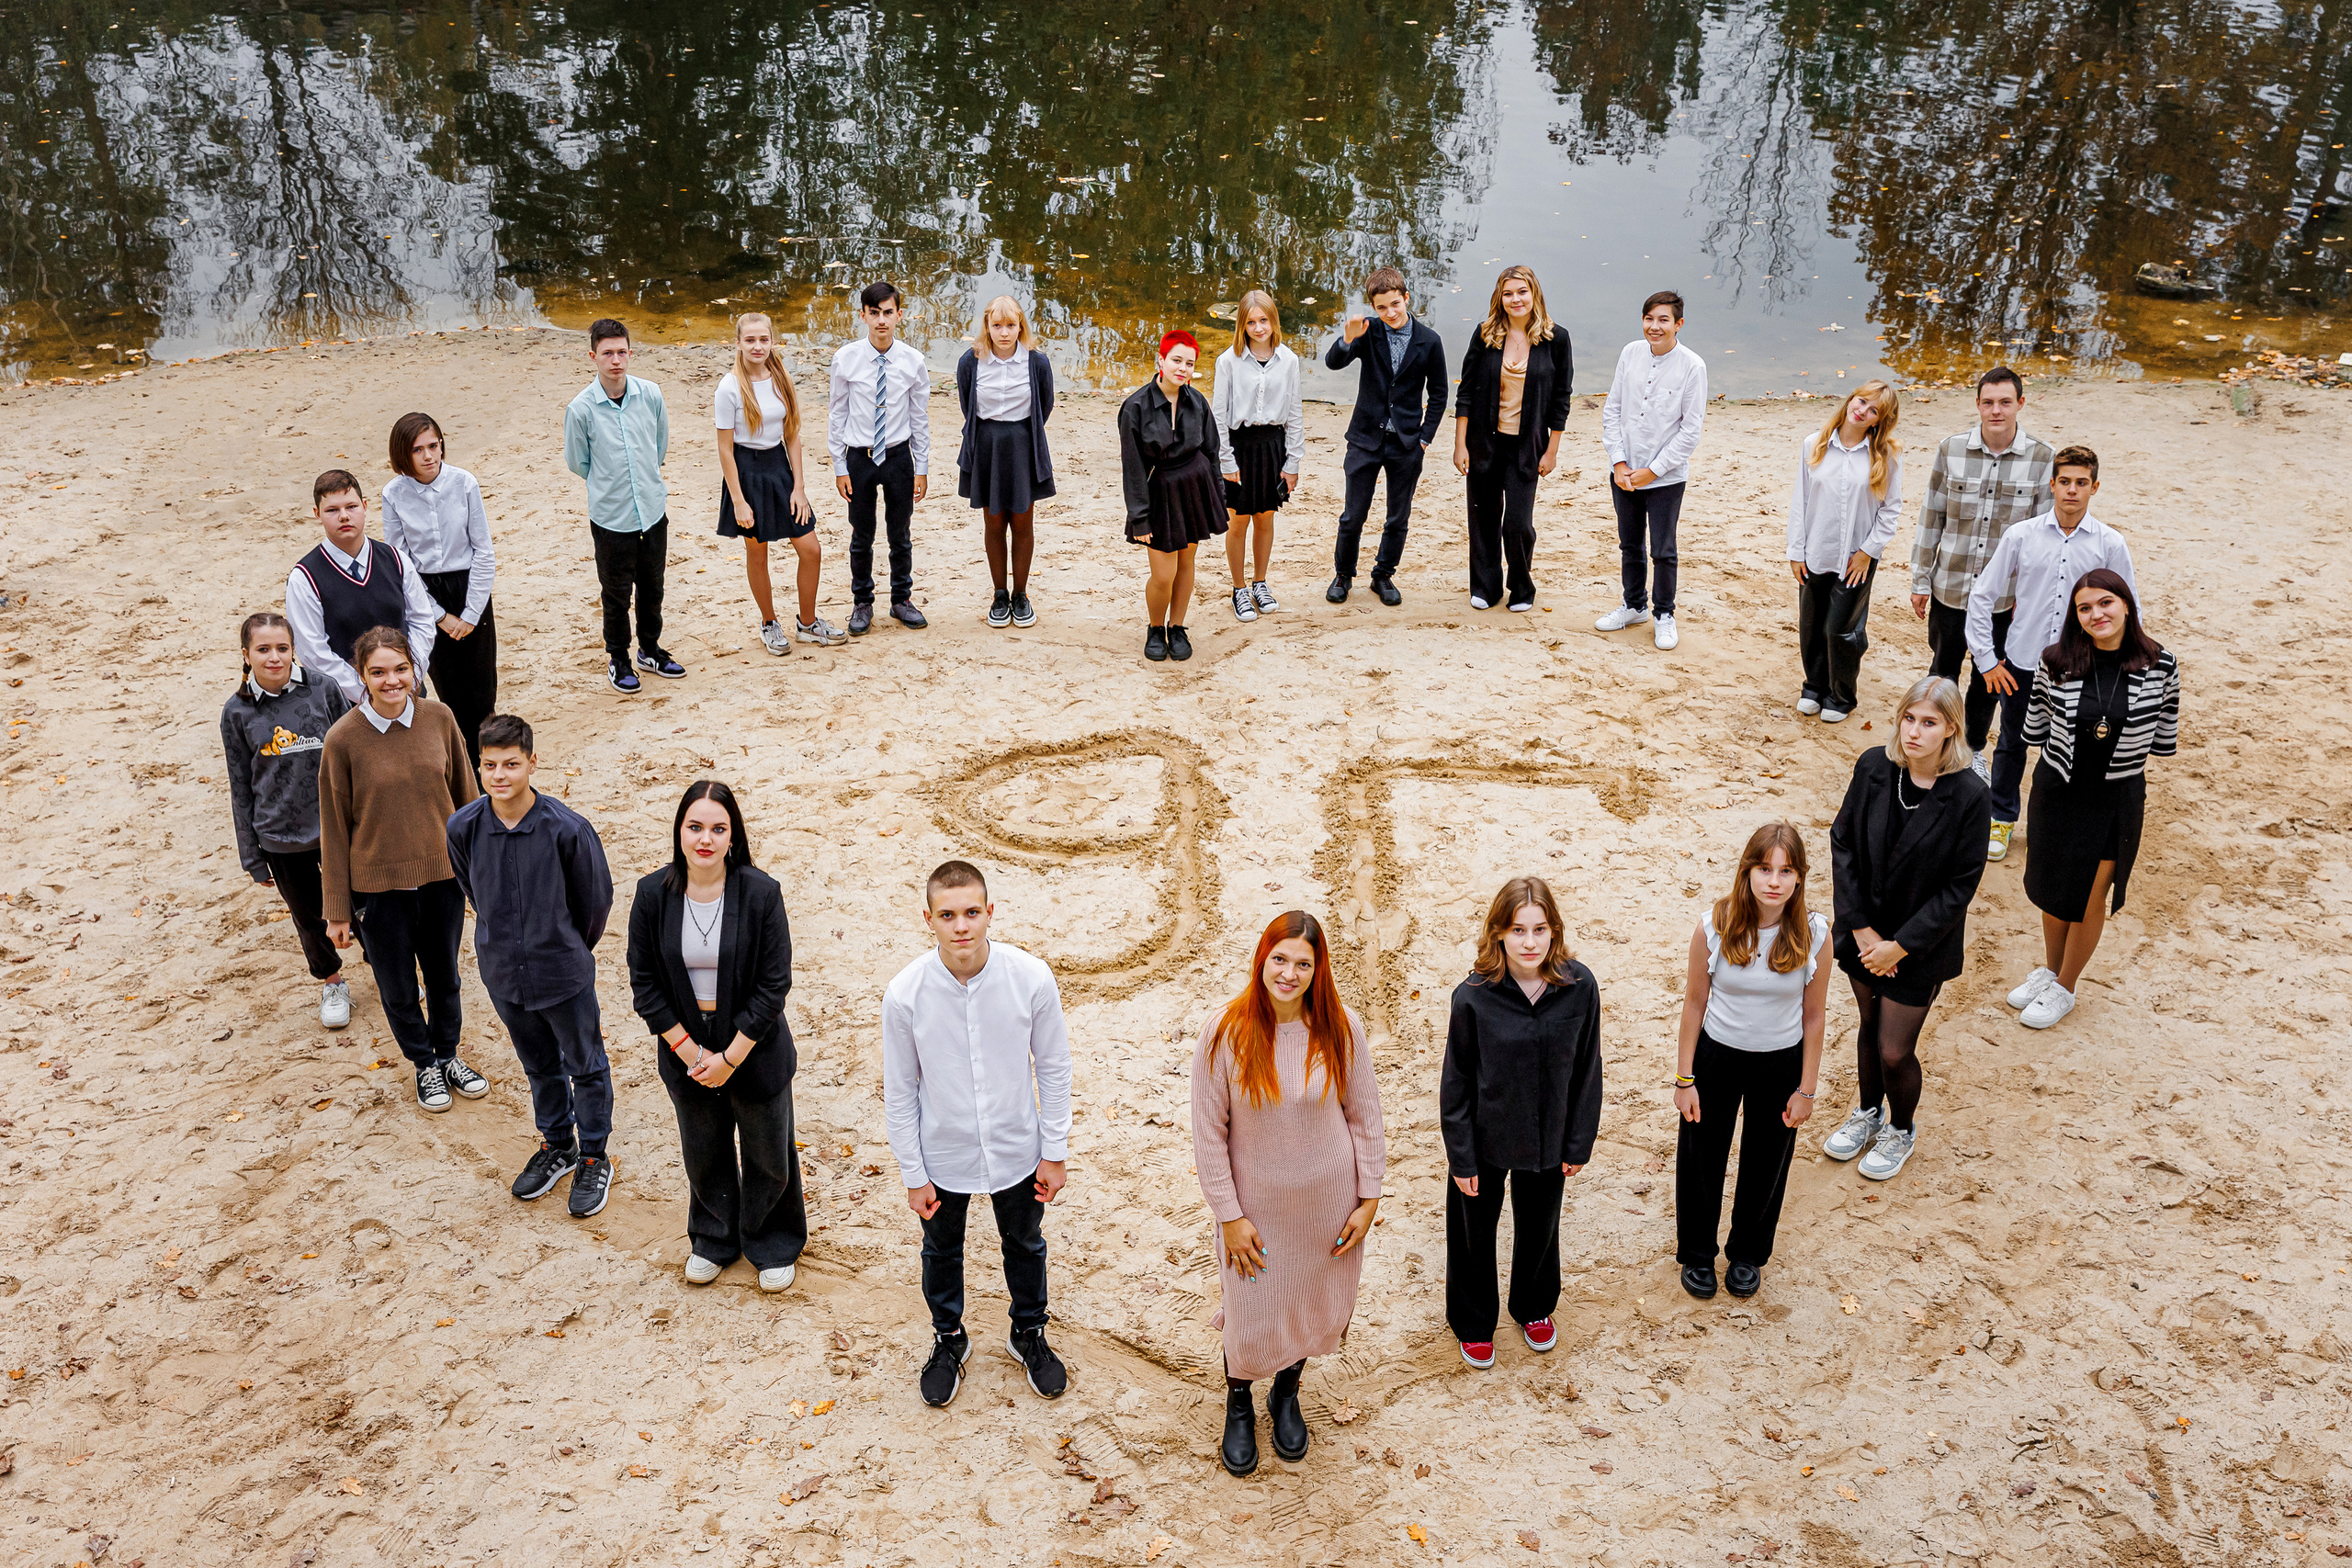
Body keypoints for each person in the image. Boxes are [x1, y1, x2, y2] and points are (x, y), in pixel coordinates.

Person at [1193, 911, 1385, 1477]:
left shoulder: (1341, 1028)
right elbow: (1210, 1134)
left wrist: (1368, 1197)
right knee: (1251, 1308)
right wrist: (1229, 1216)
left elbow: (1364, 1119)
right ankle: (1239, 1403)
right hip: (1256, 1212)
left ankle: (1287, 1391)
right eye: (1281, 958)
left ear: (1318, 969)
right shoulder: (1225, 1032)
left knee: (1308, 1299)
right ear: (1262, 957)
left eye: (1304, 963)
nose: (1290, 973)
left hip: (1327, 1206)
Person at [883, 861, 1072, 1408]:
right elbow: (900, 1091)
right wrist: (913, 1173)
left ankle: (1028, 1333)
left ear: (990, 912)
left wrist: (1054, 1152)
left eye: (971, 912)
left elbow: (1054, 1066)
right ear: (929, 919)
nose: (961, 926)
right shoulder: (904, 995)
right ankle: (948, 1339)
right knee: (941, 1252)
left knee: (1025, 1244)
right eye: (948, 915)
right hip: (943, 1152)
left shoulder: (1031, 978)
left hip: (1018, 1147)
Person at [626, 781, 806, 1291]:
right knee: (704, 1150)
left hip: (754, 1046)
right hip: (686, 1047)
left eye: (718, 829)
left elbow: (775, 984)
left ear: (734, 836)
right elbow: (644, 983)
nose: (706, 839)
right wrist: (687, 1049)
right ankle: (713, 1238)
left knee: (768, 1154)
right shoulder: (651, 895)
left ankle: (772, 1242)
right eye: (695, 827)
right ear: (680, 831)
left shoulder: (761, 893)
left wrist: (730, 1056)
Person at [446, 715, 618, 1219]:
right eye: (491, 765)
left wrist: (564, 947)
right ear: (479, 767)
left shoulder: (568, 830)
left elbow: (594, 904)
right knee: (537, 1063)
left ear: (532, 763)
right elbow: (471, 888)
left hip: (562, 972)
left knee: (585, 1064)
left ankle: (592, 1155)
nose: (500, 775)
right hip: (502, 973)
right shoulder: (464, 827)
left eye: (512, 764)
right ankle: (557, 1145)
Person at [1820, 677, 1992, 1181]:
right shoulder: (1875, 766)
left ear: (1951, 728)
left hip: (1920, 945)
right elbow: (1843, 842)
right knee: (1868, 1028)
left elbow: (1961, 886)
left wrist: (1901, 946)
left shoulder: (1969, 795)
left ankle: (1901, 1127)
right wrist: (1862, 929)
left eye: (1929, 722)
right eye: (1909, 718)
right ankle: (1868, 1113)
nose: (1914, 732)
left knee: (1895, 1048)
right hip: (1863, 934)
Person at [317, 626, 487, 1113]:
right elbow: (334, 830)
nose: (392, 681)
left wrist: (483, 875)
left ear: (415, 669)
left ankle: (449, 1055)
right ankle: (424, 1065)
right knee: (395, 986)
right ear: (362, 676)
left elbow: (467, 798)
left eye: (400, 669)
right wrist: (338, 911)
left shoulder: (439, 718)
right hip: (379, 889)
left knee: (445, 977)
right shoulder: (342, 740)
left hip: (442, 880)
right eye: (379, 672)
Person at [1439, 877, 1600, 1369]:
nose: (1529, 943)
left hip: (1549, 1139)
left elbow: (1587, 1068)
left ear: (1554, 932)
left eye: (1540, 930)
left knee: (1539, 1225)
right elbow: (1457, 1081)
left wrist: (1578, 1142)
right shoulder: (1473, 997)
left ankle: (1532, 1305)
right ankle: (1473, 1319)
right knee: (1473, 1232)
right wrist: (1461, 1155)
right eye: (1517, 930)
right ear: (1498, 934)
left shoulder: (1579, 987)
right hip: (1485, 1142)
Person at [2009, 570, 2179, 1030]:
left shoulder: (2162, 664)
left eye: (2105, 603)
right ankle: (2049, 970)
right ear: (2075, 615)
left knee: (2088, 896)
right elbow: (2037, 724)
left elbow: (2164, 739)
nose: (2096, 614)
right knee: (2050, 887)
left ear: (2126, 605)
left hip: (2115, 797)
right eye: (2085, 608)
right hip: (2058, 788)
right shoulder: (2056, 660)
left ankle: (2065, 986)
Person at [1672, 823, 1826, 1301]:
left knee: (1766, 1159)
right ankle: (1697, 1252)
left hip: (1780, 1061)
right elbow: (1695, 1003)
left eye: (1786, 870)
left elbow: (1815, 1016)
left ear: (1799, 878)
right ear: (1748, 871)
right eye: (1764, 869)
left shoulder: (1814, 933)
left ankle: (1747, 1254)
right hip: (1717, 1055)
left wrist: (1806, 1090)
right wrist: (1684, 1078)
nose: (1774, 881)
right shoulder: (1713, 925)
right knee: (1702, 1156)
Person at [1966, 446, 2135, 862]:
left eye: (2081, 483)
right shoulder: (2021, 536)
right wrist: (1987, 661)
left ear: (2094, 487)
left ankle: (2061, 825)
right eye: (2065, 482)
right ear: (2052, 484)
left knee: (2076, 749)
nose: (2072, 491)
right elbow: (1982, 596)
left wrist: (2122, 666)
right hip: (2024, 663)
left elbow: (2129, 608)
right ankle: (2001, 819)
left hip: (2085, 667)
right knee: (2011, 743)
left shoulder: (2110, 543)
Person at [1908, 367, 2054, 762]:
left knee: (1989, 678)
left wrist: (2031, 595)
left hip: (2004, 599)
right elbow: (1931, 517)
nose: (1996, 411)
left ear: (2020, 404)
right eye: (1988, 402)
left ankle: (1970, 749)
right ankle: (1933, 741)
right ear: (1977, 404)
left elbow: (2044, 538)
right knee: (1942, 670)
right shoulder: (1950, 450)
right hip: (1950, 588)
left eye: (2005, 402)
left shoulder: (2043, 459)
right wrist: (1920, 579)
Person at [220, 611, 355, 1028]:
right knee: (310, 915)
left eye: (282, 648)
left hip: (337, 827)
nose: (274, 657)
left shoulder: (324, 690)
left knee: (363, 905)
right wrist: (252, 855)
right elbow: (240, 786)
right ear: (247, 655)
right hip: (280, 836)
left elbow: (352, 755)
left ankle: (389, 971)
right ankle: (333, 981)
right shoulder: (236, 712)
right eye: (263, 649)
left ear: (293, 650)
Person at [562, 318, 681, 694]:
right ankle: (619, 658)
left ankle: (650, 649)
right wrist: (610, 484)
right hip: (611, 516)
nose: (616, 360)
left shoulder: (651, 394)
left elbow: (658, 446)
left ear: (631, 353)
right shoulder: (580, 409)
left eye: (622, 352)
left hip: (651, 508)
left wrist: (645, 481)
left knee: (653, 587)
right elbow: (577, 462)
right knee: (615, 594)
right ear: (593, 356)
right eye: (608, 353)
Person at [714, 312, 842, 656]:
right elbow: (726, 449)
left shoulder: (780, 376)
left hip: (779, 468)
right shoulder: (729, 387)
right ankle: (769, 623)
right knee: (758, 553)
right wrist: (739, 500)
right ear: (738, 343)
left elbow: (792, 436)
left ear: (772, 341)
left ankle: (808, 622)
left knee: (811, 548)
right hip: (747, 472)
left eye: (764, 339)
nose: (758, 346)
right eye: (750, 340)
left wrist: (799, 487)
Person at [1322, 265, 1448, 605]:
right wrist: (1347, 338)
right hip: (1364, 438)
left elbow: (1439, 394)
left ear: (1406, 298)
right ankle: (1343, 574)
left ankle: (1383, 575)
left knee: (1398, 516)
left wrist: (1425, 438)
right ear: (1373, 307)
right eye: (1382, 307)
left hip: (1407, 443)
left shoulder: (1429, 341)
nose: (1390, 313)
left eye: (1395, 304)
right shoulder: (1369, 332)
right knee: (1353, 514)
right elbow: (1333, 363)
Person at [1451, 265, 1573, 613]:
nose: (1515, 299)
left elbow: (1562, 399)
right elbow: (1467, 393)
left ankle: (1521, 585)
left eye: (1522, 291)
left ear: (1534, 294)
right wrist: (1460, 444)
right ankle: (1486, 588)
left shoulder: (1556, 338)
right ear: (1499, 298)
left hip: (1527, 446)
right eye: (1508, 293)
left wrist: (1551, 450)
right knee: (1483, 518)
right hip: (1483, 443)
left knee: (1518, 524)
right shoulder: (1486, 334)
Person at [381, 412, 498, 769]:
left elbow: (483, 551)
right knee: (447, 686)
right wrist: (439, 616)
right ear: (404, 454)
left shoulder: (464, 483)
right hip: (423, 591)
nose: (429, 456)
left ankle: (486, 761)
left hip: (469, 585)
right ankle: (458, 761)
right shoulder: (393, 494)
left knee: (482, 684)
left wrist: (470, 615)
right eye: (418, 449)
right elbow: (402, 564)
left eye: (434, 446)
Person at [1597, 290, 1708, 651]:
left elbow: (1690, 431)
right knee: (1629, 544)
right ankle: (1634, 606)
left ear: (1678, 324)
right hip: (1624, 471)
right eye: (1649, 319)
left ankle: (1664, 614)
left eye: (1663, 320)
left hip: (1666, 478)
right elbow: (1612, 410)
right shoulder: (1630, 353)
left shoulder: (1693, 366)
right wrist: (1619, 462)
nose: (1654, 327)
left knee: (1663, 549)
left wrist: (1654, 471)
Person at [1787, 381, 1904, 723]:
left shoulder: (1886, 455)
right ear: (1851, 397)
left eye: (1873, 410)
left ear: (1878, 420)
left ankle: (1841, 695)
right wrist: (1796, 550)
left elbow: (1891, 510)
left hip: (1858, 558)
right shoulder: (1815, 444)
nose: (1862, 410)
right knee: (1811, 623)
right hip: (1816, 549)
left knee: (1841, 629)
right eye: (1862, 400)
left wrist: (1868, 551)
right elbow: (1801, 500)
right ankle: (1814, 687)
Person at [285, 468, 440, 705]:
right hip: (347, 703)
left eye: (351, 507)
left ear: (365, 506)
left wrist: (408, 679)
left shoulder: (396, 560)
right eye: (332, 510)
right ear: (318, 514)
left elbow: (422, 622)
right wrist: (368, 693)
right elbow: (313, 653)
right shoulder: (305, 577)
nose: (344, 516)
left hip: (409, 693)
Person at [827, 281, 931, 636]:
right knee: (862, 533)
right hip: (860, 458)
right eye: (874, 314)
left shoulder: (913, 361)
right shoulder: (846, 359)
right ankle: (862, 602)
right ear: (863, 316)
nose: (881, 321)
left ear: (899, 315)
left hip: (899, 457)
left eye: (888, 313)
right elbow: (837, 414)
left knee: (900, 532)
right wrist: (840, 465)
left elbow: (919, 417)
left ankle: (901, 599)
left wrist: (923, 467)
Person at [1117, 331, 1227, 662]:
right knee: (1163, 574)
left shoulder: (1197, 402)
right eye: (1176, 360)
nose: (1183, 369)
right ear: (1161, 361)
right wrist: (1139, 517)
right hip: (1160, 492)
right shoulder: (1135, 407)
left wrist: (1217, 494)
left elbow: (1212, 451)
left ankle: (1177, 626)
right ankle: (1155, 628)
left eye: (1189, 363)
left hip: (1196, 488)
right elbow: (1133, 468)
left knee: (1186, 564)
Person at [954, 294, 1057, 628]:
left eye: (1010, 325)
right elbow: (967, 403)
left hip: (1023, 444)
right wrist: (990, 436)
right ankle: (999, 593)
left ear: (1020, 326)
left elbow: (1045, 404)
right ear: (986, 326)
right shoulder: (971, 362)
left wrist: (1020, 435)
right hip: (987, 446)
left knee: (1023, 522)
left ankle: (1020, 594)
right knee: (994, 521)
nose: (1004, 333)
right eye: (997, 325)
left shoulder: (1036, 362)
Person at [1211, 290, 1304, 622]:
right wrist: (1225, 460)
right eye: (1251, 322)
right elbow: (1218, 415)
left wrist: (1293, 462)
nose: (1258, 327)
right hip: (1239, 446)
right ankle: (1238, 589)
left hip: (1272, 447)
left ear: (1273, 321)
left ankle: (1260, 583)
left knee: (1265, 516)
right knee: (1239, 521)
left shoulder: (1289, 360)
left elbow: (1294, 412)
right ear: (1242, 325)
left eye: (1263, 320)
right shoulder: (1228, 361)